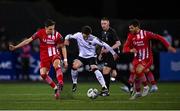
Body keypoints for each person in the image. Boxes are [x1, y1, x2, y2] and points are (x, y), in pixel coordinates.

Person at [9, 19, 68, 99]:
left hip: (55, 54)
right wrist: (16, 47)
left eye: (53, 28)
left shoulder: (58, 35)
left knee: (56, 65)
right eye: (50, 29)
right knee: (43, 74)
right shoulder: (40, 33)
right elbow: (27, 41)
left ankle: (60, 83)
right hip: (44, 57)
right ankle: (55, 88)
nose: (52, 30)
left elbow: (63, 47)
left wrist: (65, 60)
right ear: (46, 28)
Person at [123, 19, 176, 99]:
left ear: (137, 27)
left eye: (131, 28)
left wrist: (168, 46)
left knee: (138, 71)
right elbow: (124, 48)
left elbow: (159, 37)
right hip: (137, 59)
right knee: (136, 74)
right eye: (129, 28)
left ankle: (145, 86)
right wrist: (130, 50)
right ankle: (138, 92)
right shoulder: (130, 35)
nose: (130, 30)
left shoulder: (146, 33)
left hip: (147, 58)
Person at [64, 25, 118, 96]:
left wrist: (113, 53)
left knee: (95, 69)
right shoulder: (78, 35)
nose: (85, 37)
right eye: (84, 36)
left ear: (89, 34)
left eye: (87, 36)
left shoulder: (94, 39)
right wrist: (66, 39)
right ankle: (74, 83)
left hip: (91, 57)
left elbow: (105, 45)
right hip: (82, 56)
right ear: (81, 33)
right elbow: (69, 35)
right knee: (74, 66)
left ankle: (104, 87)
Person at [99, 17, 131, 92]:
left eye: (105, 23)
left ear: (108, 23)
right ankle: (129, 85)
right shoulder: (103, 32)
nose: (103, 25)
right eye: (102, 24)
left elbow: (118, 43)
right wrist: (101, 53)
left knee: (105, 70)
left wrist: (109, 49)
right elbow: (103, 44)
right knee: (114, 74)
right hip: (108, 54)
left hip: (114, 54)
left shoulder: (112, 31)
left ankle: (106, 91)